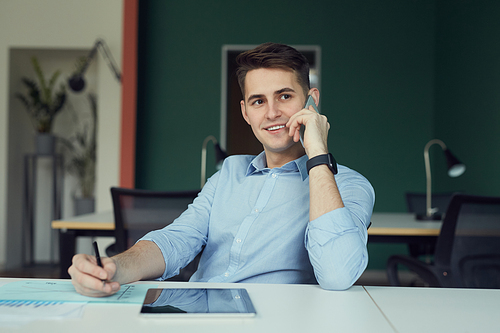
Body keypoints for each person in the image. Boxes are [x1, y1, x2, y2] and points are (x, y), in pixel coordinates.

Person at [69, 42, 375, 296]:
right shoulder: (229, 172)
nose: (271, 113)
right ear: (246, 112)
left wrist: (318, 152)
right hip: (198, 313)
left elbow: (337, 274)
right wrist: (114, 269)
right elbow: (177, 239)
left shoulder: (348, 186)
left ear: (312, 101)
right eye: (258, 101)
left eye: (284, 96)